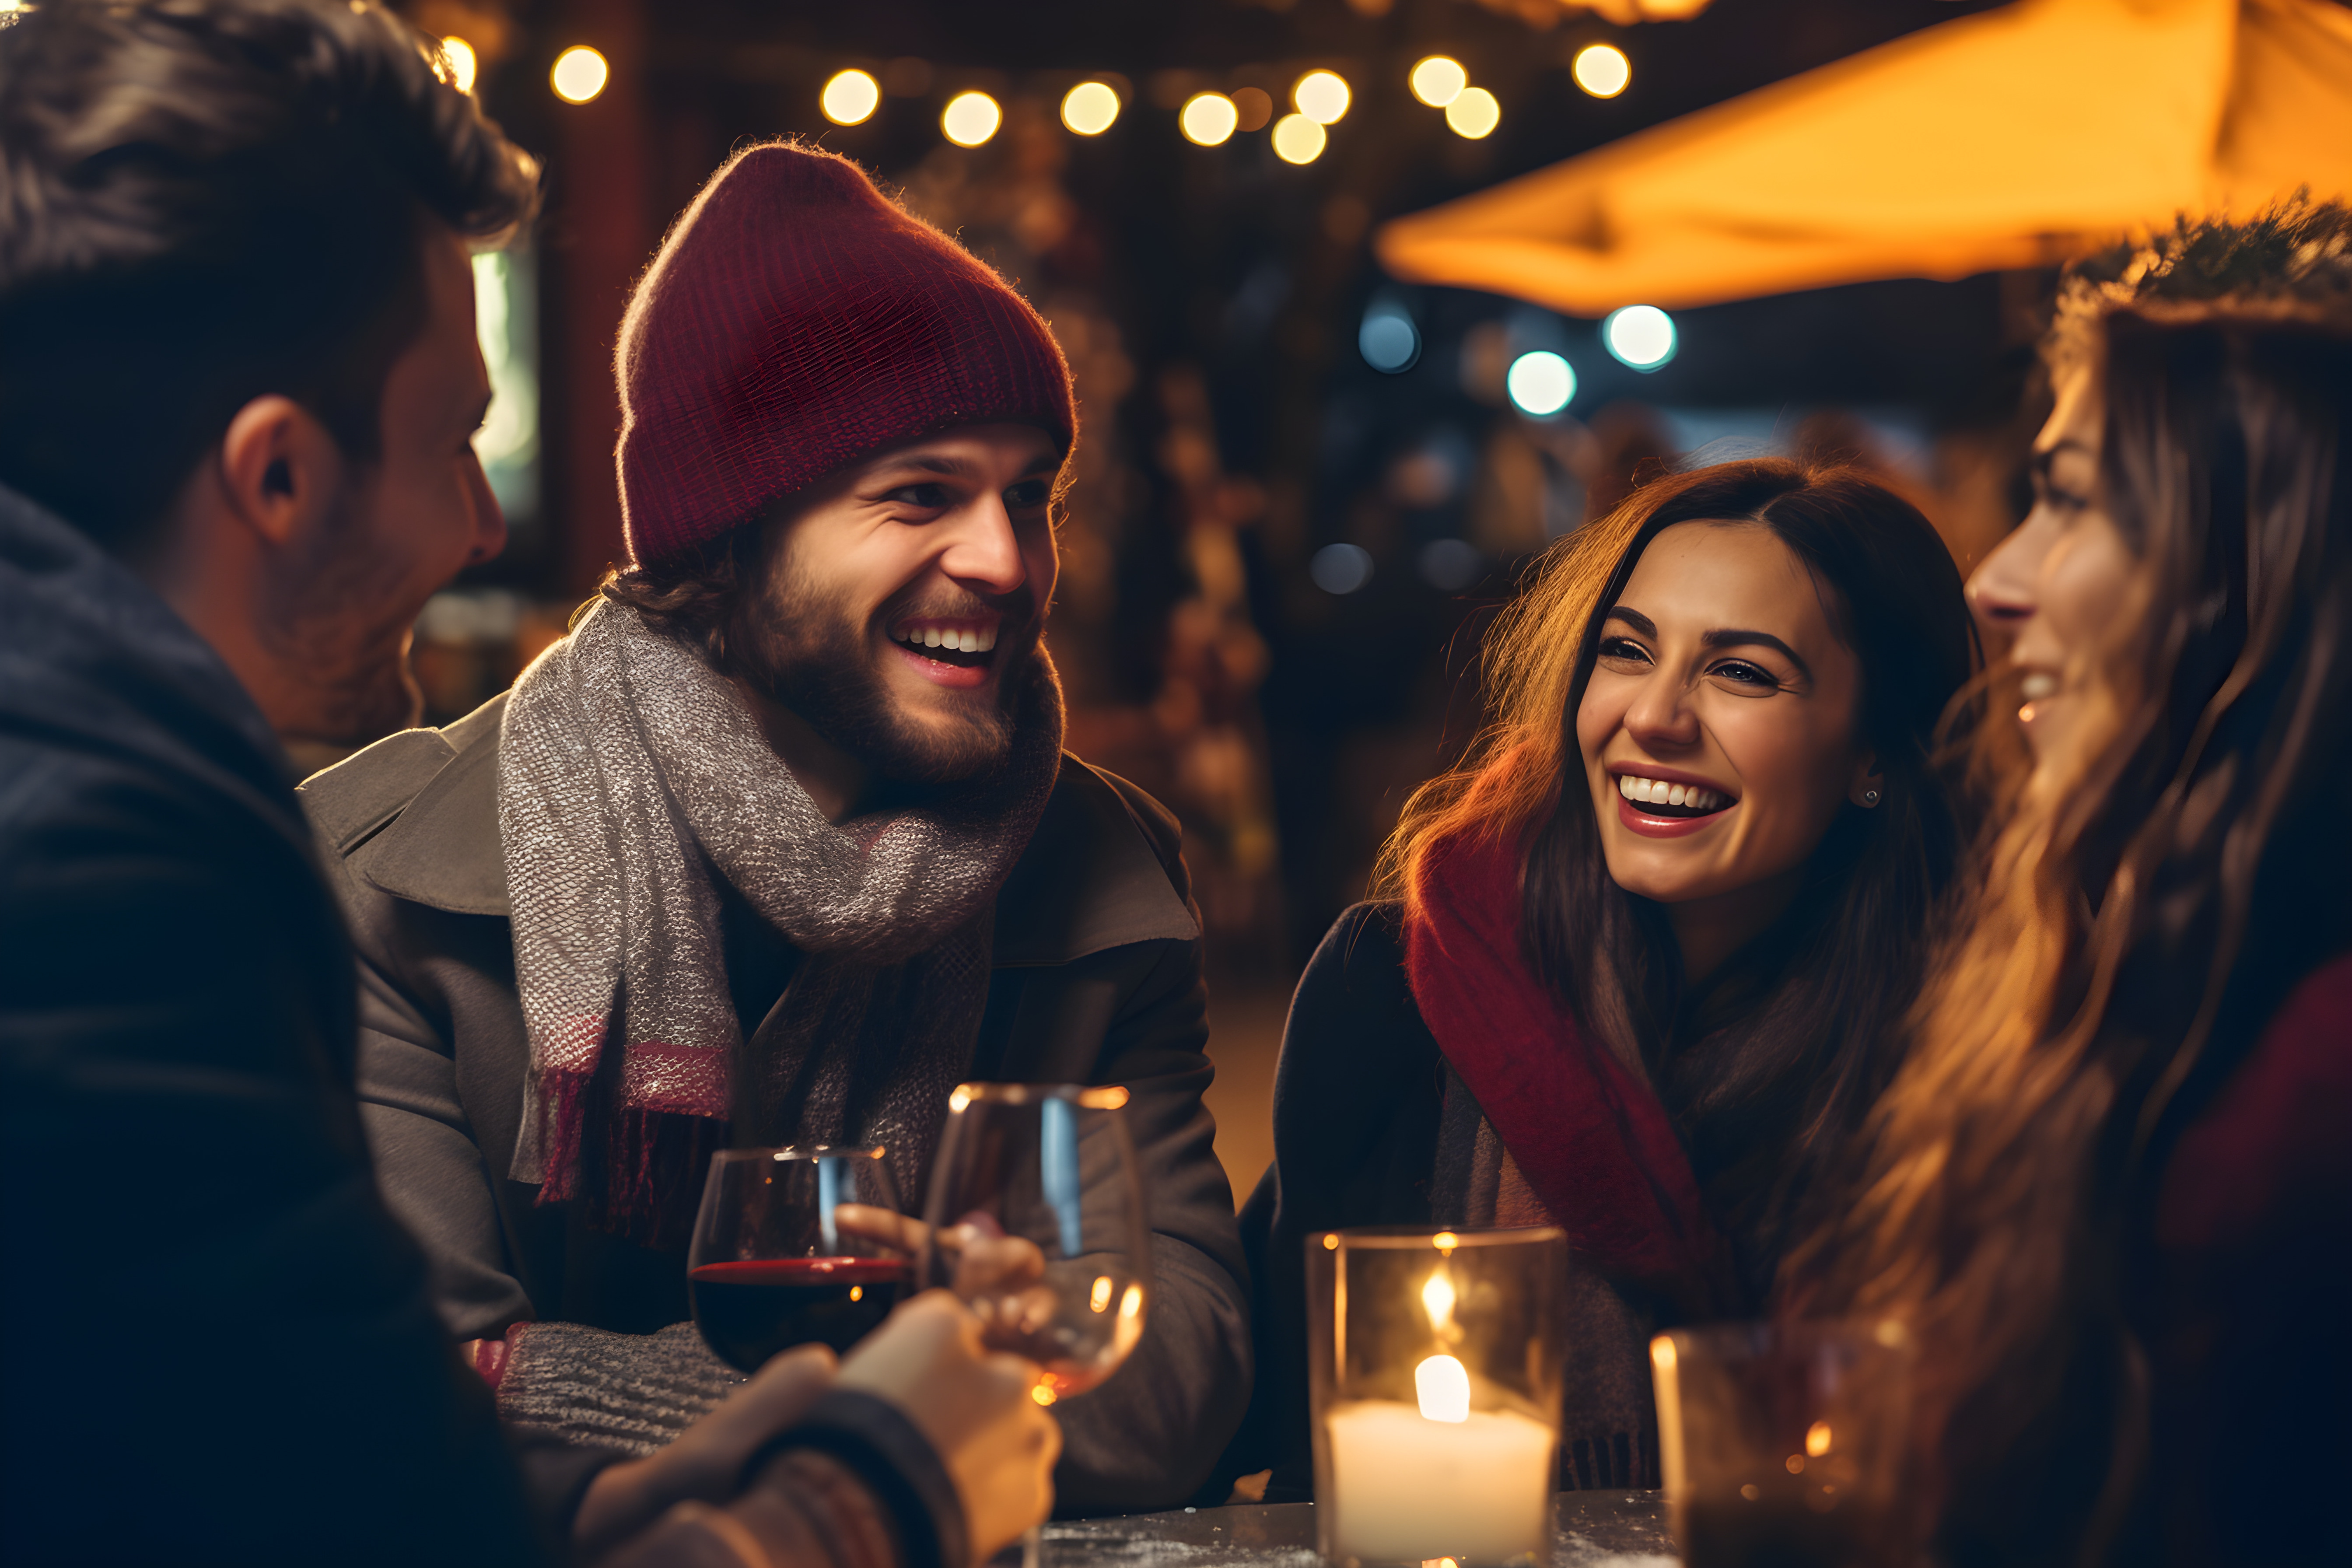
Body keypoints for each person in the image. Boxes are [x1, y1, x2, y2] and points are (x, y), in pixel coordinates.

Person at [0, 3, 1055, 1563]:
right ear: (275, 476)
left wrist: (616, 1484)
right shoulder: (108, 877)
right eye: (452, 445)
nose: (484, 536)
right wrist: (869, 1490)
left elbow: (294, 1448)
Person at [302, 140, 1250, 1514]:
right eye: (919, 493)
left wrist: (559, 1377)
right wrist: (927, 1379)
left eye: (1027, 494)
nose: (1003, 560)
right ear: (726, 545)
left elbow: (1179, 1389)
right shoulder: (384, 880)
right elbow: (402, 1410)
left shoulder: (1104, 877)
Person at [1228, 460, 1976, 1498]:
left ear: (1876, 757)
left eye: (1745, 672)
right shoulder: (1399, 988)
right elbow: (1261, 1406)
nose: (1656, 717)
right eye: (1626, 651)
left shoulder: (1968, 1060)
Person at [1788, 202, 2352, 1568]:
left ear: (2260, 550)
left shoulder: (2311, 1084)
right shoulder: (2154, 949)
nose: (1995, 580)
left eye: (2075, 497)